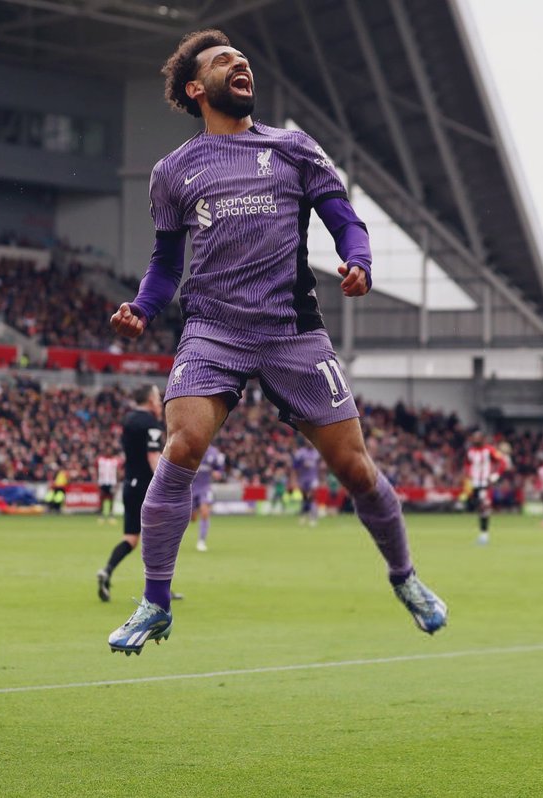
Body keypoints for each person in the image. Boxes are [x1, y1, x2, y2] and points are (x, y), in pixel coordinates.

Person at [104, 30, 446, 655]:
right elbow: (166, 264)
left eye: (242, 58)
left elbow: (345, 219)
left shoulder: (293, 147)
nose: (239, 63)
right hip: (212, 330)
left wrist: (360, 261)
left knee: (355, 469)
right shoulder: (173, 172)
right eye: (222, 61)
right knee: (180, 446)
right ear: (194, 88)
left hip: (293, 333)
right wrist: (143, 309)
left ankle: (405, 577)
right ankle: (155, 602)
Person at [96, 385, 164, 602]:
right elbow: (153, 457)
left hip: (130, 485)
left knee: (131, 538)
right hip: (147, 486)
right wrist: (166, 483)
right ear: (150, 400)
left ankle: (107, 570)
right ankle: (160, 589)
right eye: (157, 397)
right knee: (161, 537)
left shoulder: (128, 420)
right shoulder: (151, 424)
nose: (160, 401)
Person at [465, 430, 510, 545]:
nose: (475, 440)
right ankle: (482, 534)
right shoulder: (470, 451)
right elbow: (467, 464)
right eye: (474, 438)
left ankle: (484, 535)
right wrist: (469, 474)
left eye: (478, 438)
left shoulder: (489, 450)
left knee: (483, 507)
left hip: (485, 483)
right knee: (479, 508)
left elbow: (502, 462)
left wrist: (496, 475)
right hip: (475, 483)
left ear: (482, 439)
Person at [192, 444, 225, 551]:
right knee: (192, 518)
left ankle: (201, 541)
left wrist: (217, 473)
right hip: (191, 487)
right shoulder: (193, 448)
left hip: (205, 487)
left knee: (205, 512)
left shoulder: (214, 453)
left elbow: (220, 470)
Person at [292, 443, 322, 526]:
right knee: (305, 498)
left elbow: (319, 466)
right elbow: (295, 466)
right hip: (303, 479)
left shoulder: (316, 453)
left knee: (312, 497)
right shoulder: (301, 453)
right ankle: (303, 515)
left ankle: (313, 518)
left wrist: (320, 478)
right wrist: (295, 478)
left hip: (313, 479)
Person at [96, 451, 121, 522]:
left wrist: (117, 482)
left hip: (111, 482)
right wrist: (97, 481)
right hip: (103, 482)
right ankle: (101, 514)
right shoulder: (100, 460)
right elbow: (97, 470)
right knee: (102, 498)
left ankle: (111, 515)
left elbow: (118, 471)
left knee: (111, 499)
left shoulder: (115, 461)